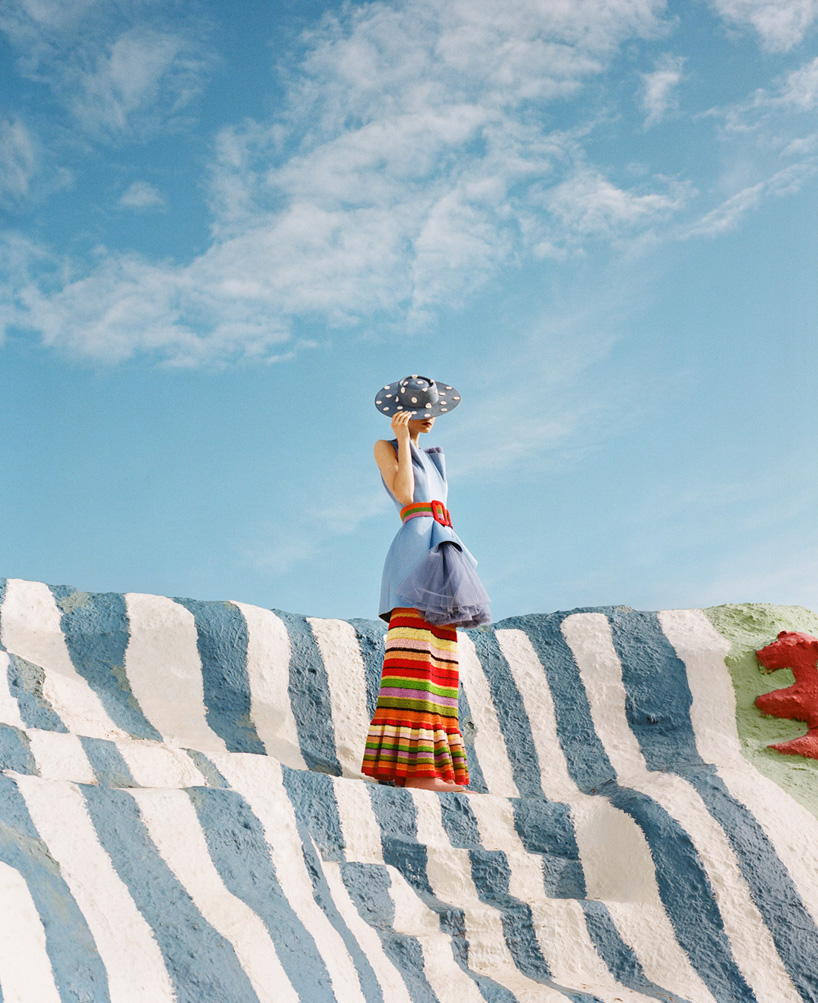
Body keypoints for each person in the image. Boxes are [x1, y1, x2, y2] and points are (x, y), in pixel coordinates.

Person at [361, 375, 491, 793]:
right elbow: (403, 494)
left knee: (441, 662)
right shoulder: (386, 447)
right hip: (414, 553)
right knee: (413, 659)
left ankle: (429, 770)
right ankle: (415, 772)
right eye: (421, 411)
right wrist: (401, 439)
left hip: (444, 552)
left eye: (432, 410)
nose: (429, 418)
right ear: (402, 413)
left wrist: (411, 444)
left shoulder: (435, 458)